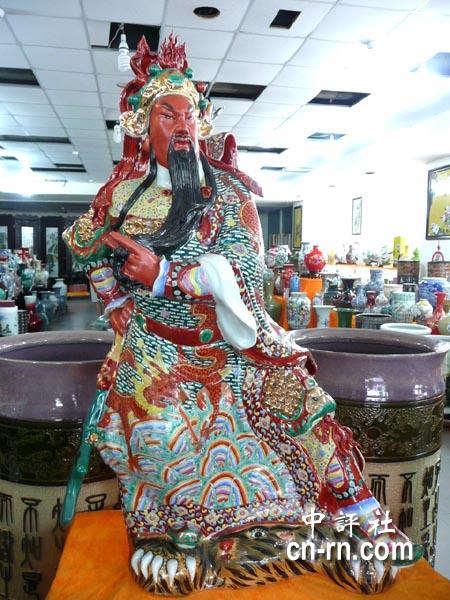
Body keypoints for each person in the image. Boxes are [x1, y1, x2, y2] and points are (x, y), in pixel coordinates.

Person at [63, 35, 420, 596]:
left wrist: (164, 275)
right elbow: (85, 248)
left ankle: (357, 513)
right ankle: (175, 532)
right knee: (155, 438)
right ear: (142, 125)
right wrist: (114, 301)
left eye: (189, 114)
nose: (182, 126)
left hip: (231, 343)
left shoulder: (229, 193)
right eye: (166, 114)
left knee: (299, 399)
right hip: (155, 350)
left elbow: (244, 269)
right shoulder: (122, 194)